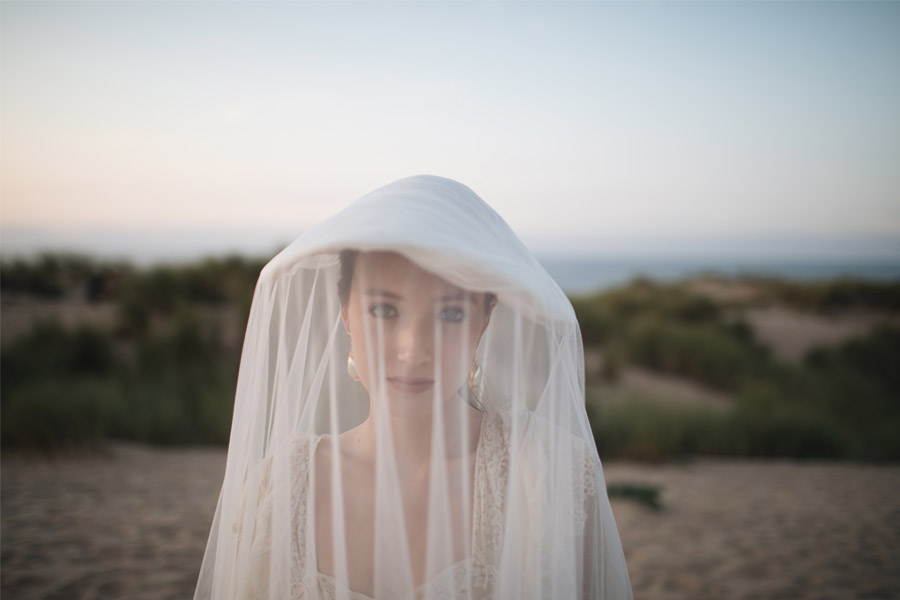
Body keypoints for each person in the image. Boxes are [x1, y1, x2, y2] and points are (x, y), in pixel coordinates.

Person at [194, 175, 633, 599]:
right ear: (346, 314)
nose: (413, 350)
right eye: (385, 311)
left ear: (484, 320)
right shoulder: (280, 488)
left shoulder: (548, 476)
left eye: (450, 314)